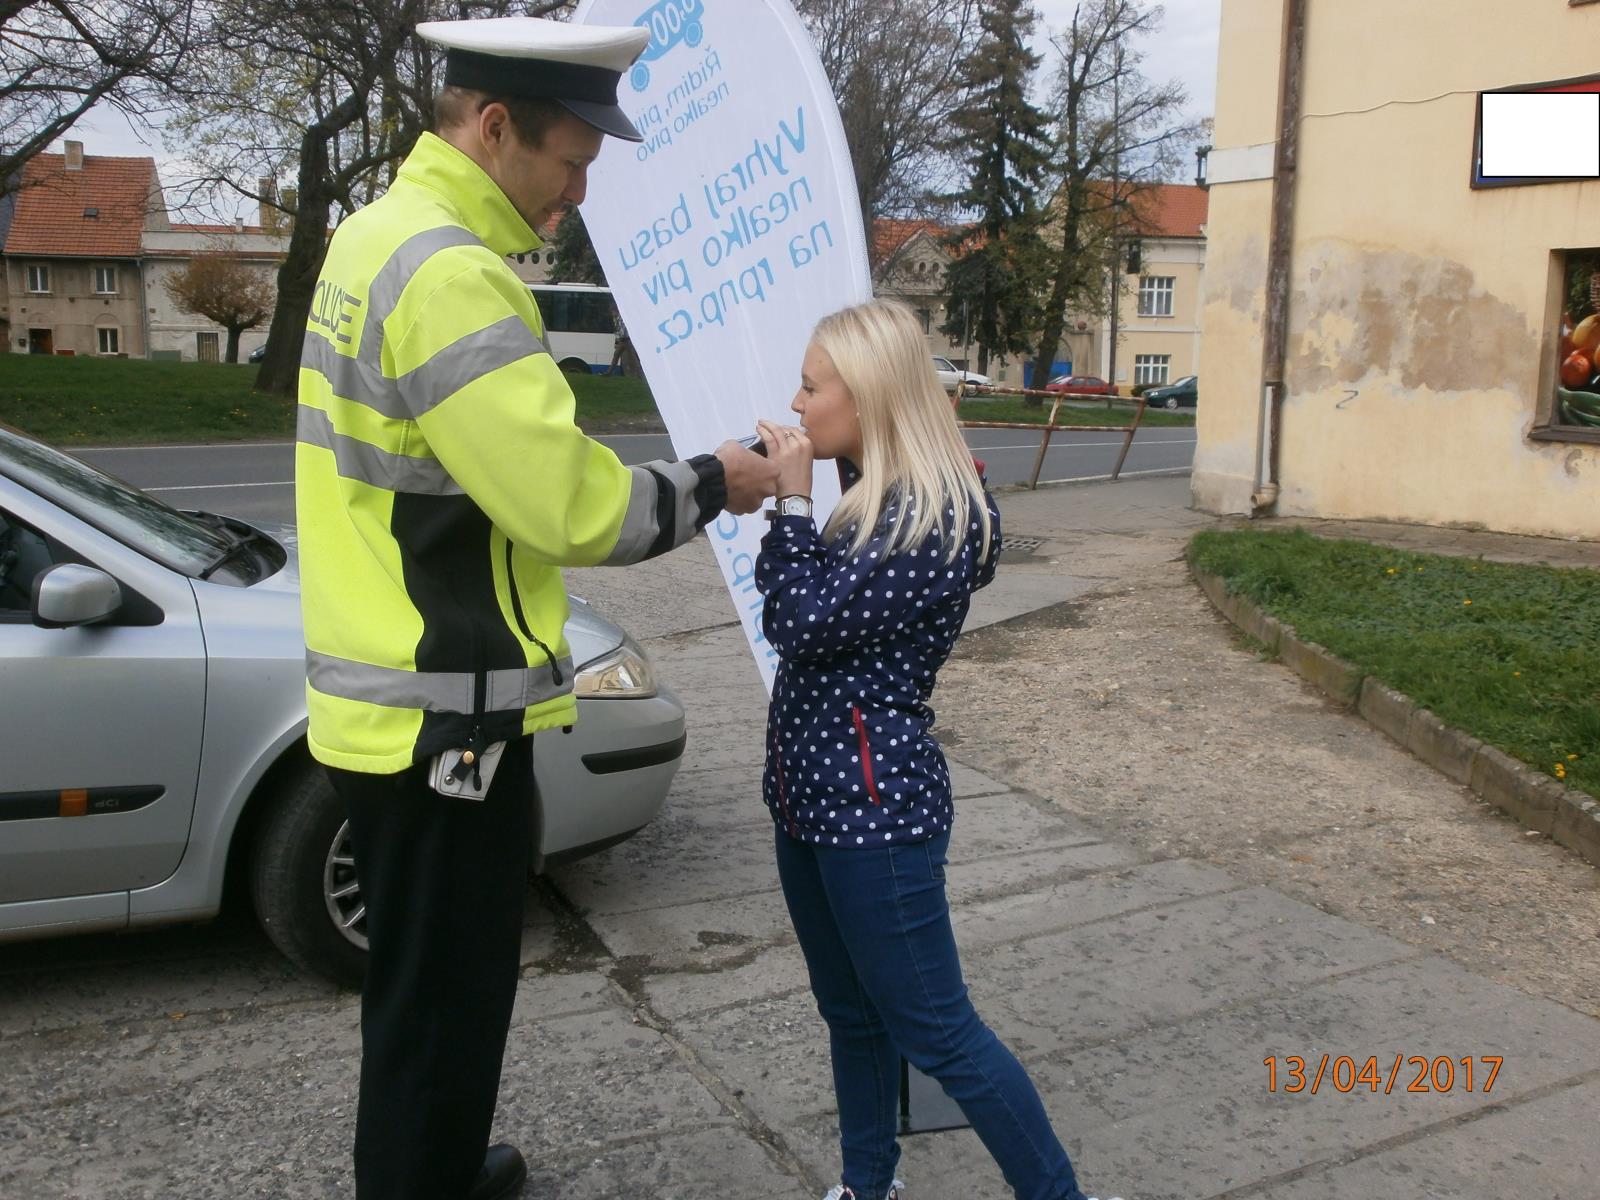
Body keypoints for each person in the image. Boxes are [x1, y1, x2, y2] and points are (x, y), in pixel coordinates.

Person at [294, 16, 778, 1200]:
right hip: (440, 714)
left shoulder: (377, 237)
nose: (572, 198)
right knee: (445, 1000)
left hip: (391, 697)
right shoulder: (452, 275)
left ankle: (439, 1164)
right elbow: (573, 507)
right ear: (493, 126)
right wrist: (722, 478)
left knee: (427, 991)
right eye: (568, 165)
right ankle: (424, 1180)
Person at [753, 300, 1121, 1200]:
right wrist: (799, 505)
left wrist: (791, 503)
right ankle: (867, 1184)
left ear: (869, 393)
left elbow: (798, 622)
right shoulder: (875, 503)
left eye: (811, 385)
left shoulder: (929, 519)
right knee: (851, 1015)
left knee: (938, 1030)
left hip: (875, 815)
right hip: (809, 800)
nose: (796, 407)